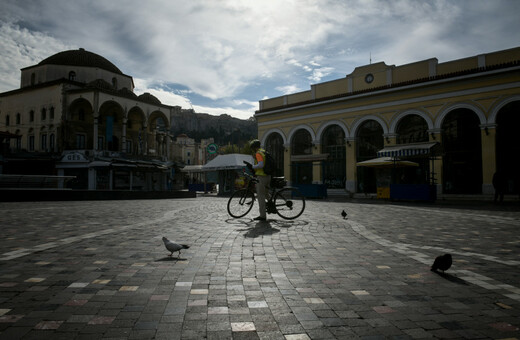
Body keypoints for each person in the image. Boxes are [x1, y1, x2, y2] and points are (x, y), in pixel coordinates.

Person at [250, 139, 271, 221]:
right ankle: (271, 205)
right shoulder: (264, 152)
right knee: (266, 193)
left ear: (254, 148)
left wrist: (253, 166)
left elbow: (261, 165)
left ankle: (262, 216)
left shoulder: (258, 153)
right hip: (268, 176)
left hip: (261, 177)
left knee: (260, 196)